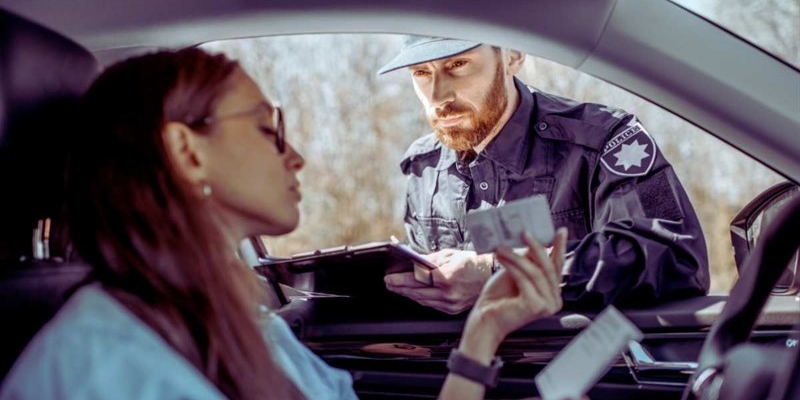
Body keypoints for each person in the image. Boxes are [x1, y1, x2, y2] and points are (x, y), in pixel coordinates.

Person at [0, 47, 567, 400]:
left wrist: (482, 334)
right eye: (267, 129)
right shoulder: (105, 366)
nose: (293, 156)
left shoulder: (243, 324)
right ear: (187, 151)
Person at [380, 36, 710, 314]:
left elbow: (676, 256)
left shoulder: (606, 141)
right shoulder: (423, 168)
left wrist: (500, 274)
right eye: (422, 72)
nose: (439, 97)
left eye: (457, 65)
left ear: (513, 55)